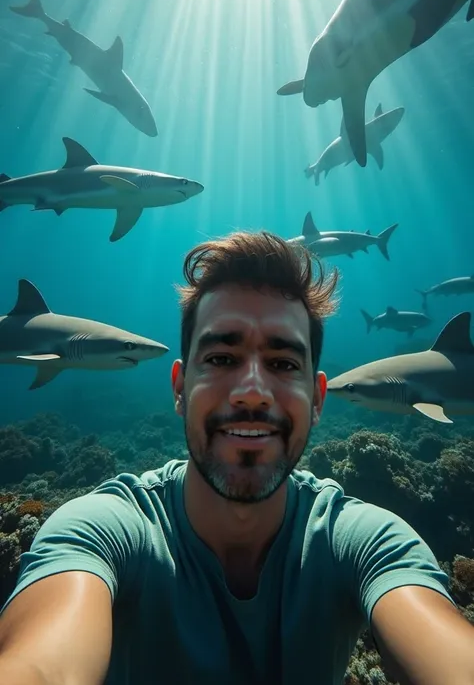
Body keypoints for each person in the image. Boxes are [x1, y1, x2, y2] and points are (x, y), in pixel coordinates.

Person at [0, 232, 472, 685]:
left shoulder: (366, 542)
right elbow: (41, 666)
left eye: (284, 364)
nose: (251, 392)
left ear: (318, 398)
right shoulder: (102, 530)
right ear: (180, 388)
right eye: (222, 358)